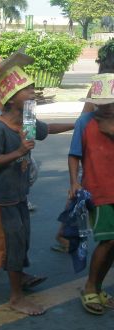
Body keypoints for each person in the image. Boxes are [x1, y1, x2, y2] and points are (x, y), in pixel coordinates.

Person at [0, 51, 74, 299]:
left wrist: (78, 123)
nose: (33, 94)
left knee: (21, 240)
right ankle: (14, 295)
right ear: (11, 97)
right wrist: (18, 151)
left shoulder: (27, 119)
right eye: (28, 91)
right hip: (1, 196)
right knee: (11, 242)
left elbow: (46, 129)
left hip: (19, 193)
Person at [52, 39, 114, 253]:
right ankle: (66, 232)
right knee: (84, 188)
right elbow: (87, 118)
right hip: (96, 144)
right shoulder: (101, 87)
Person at [69, 73, 114, 315]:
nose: (106, 109)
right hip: (98, 191)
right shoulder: (85, 122)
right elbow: (74, 154)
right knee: (108, 240)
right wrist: (73, 183)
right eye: (102, 105)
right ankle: (89, 287)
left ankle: (97, 287)